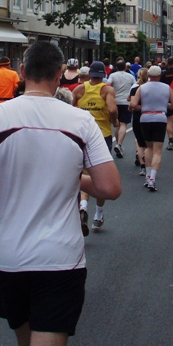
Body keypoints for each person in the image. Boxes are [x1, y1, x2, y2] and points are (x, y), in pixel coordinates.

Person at [0, 42, 121, 346]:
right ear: (60, 75)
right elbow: (109, 188)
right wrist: (74, 174)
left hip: (7, 256)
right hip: (59, 258)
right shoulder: (80, 121)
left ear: (22, 70)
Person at [72, 61, 118, 231]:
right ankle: (98, 214)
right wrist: (114, 122)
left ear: (90, 74)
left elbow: (69, 108)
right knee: (99, 177)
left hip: (81, 135)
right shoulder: (107, 90)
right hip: (101, 135)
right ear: (103, 74)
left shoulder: (79, 90)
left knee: (83, 173)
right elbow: (112, 110)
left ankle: (83, 205)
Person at [134, 65, 173, 192]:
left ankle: (147, 175)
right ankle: (152, 178)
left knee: (148, 148)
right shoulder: (167, 88)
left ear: (149, 75)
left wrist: (143, 109)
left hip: (145, 118)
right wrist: (164, 105)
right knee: (158, 150)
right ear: (160, 75)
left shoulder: (142, 88)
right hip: (160, 118)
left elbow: (133, 104)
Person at [107, 60, 135, 159]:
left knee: (116, 124)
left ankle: (118, 143)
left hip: (115, 101)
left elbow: (107, 85)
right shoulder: (130, 76)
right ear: (125, 67)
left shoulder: (113, 76)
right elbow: (134, 88)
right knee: (123, 124)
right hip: (126, 102)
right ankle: (119, 144)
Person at [129, 68, 149, 176]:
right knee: (149, 144)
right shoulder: (150, 88)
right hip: (149, 116)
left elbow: (132, 103)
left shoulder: (135, 88)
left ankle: (143, 166)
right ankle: (150, 166)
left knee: (140, 143)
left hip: (138, 116)